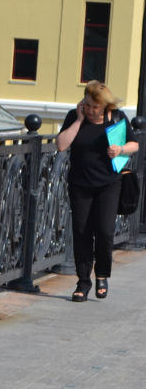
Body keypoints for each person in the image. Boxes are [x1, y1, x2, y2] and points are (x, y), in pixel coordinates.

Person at [55, 80, 138, 302]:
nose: (92, 111)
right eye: (88, 105)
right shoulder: (75, 116)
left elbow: (134, 144)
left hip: (109, 184)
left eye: (95, 107)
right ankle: (83, 282)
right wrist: (80, 120)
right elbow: (61, 145)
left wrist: (120, 149)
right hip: (80, 185)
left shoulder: (117, 117)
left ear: (104, 105)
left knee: (104, 231)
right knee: (81, 232)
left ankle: (102, 274)